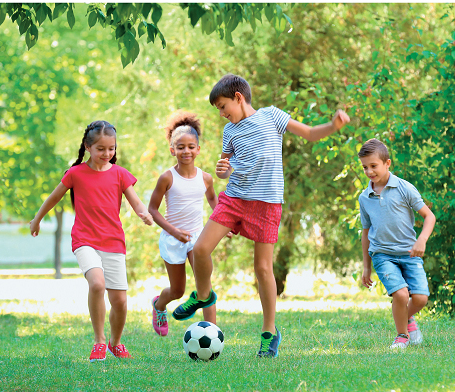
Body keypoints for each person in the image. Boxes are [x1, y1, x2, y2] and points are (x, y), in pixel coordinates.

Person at [172, 74, 350, 358]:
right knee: (201, 249)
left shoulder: (272, 116)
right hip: (234, 199)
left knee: (263, 269)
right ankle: (202, 295)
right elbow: (227, 166)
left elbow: (309, 133)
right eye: (218, 109)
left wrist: (333, 126)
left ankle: (269, 333)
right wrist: (222, 171)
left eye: (222, 106)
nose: (221, 113)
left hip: (267, 204)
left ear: (238, 98)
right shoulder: (229, 132)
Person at [29, 120, 153, 362]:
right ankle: (99, 341)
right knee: (97, 284)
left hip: (113, 241)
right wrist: (37, 219)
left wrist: (143, 213)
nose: (107, 154)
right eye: (101, 149)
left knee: (120, 301)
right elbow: (53, 197)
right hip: (85, 239)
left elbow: (135, 201)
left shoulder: (120, 174)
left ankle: (115, 343)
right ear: (87, 147)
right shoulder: (75, 174)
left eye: (111, 149)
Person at [148, 111, 221, 337]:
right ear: (172, 150)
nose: (186, 151)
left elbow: (212, 200)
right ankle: (159, 305)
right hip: (172, 238)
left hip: (198, 238)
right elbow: (152, 209)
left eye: (191, 146)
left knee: (204, 285)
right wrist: (173, 231)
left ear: (198, 149)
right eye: (180, 147)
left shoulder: (206, 178)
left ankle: (212, 332)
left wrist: (222, 224)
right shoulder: (167, 178)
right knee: (178, 290)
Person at [358, 138, 436, 349]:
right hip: (382, 254)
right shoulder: (364, 197)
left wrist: (422, 240)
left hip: (409, 252)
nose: (369, 171)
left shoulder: (404, 188)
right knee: (401, 294)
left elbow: (429, 216)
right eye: (365, 167)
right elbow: (366, 232)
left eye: (373, 166)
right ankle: (401, 335)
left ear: (387, 163)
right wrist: (366, 266)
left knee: (420, 298)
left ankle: (406, 319)